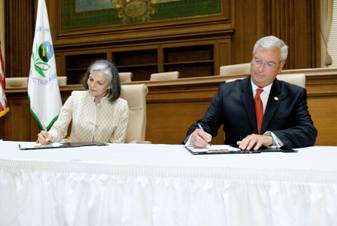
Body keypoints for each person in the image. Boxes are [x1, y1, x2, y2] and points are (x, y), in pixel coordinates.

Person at [185, 35, 317, 150]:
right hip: (237, 163)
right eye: (257, 61)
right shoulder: (227, 92)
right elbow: (205, 126)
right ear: (251, 60)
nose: (260, 69)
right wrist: (195, 136)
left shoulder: (294, 94)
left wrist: (269, 138)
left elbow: (308, 132)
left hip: (277, 163)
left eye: (269, 64)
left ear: (280, 66)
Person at [37, 60, 128, 144]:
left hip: (104, 157)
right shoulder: (75, 97)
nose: (92, 85)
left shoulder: (121, 106)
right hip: (75, 154)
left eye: (99, 83)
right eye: (91, 79)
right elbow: (59, 128)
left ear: (110, 86)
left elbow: (118, 142)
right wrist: (50, 136)